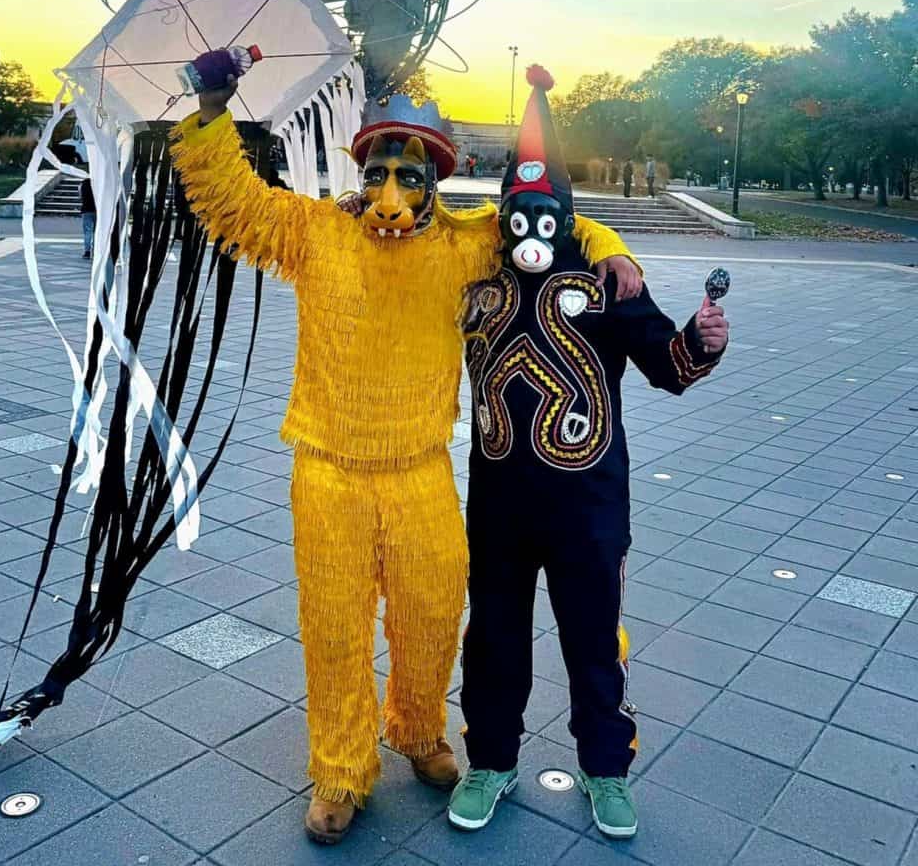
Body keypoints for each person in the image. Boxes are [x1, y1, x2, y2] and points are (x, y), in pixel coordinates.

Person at [170, 49, 642, 845]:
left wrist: (608, 243)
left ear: (435, 179)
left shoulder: (465, 246)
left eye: (411, 172)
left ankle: (418, 729)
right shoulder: (311, 232)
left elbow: (545, 216)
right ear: (360, 169)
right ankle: (341, 769)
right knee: (335, 626)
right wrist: (215, 109)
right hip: (327, 469)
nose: (392, 189)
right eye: (378, 167)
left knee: (432, 613)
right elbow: (231, 201)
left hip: (422, 469)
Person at [448, 66, 728, 840]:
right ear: (501, 215)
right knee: (493, 640)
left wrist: (701, 343)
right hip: (498, 505)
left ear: (567, 216)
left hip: (590, 506)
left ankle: (607, 770)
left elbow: (668, 366)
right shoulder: (473, 285)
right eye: (518, 213)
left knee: (595, 642)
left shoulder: (610, 283)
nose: (531, 228)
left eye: (547, 214)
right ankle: (491, 761)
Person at [80, 176, 96, 259]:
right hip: (97, 210)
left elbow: (80, 196)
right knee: (96, 231)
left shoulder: (83, 184)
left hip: (86, 210)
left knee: (87, 232)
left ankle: (87, 251)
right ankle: (95, 251)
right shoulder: (99, 183)